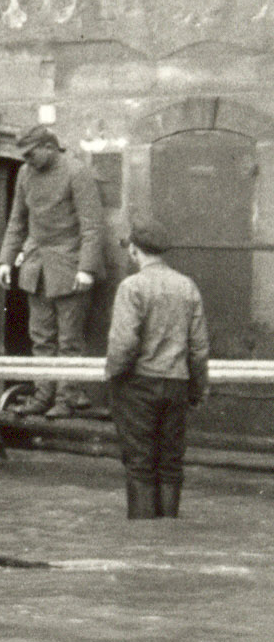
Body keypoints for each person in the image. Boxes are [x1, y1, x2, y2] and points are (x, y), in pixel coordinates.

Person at [0, 126, 106, 419]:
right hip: (36, 268)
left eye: (31, 153)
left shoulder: (76, 171)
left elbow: (92, 226)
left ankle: (66, 398)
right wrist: (6, 260)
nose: (27, 160)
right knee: (41, 338)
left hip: (70, 268)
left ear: (49, 146)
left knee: (69, 340)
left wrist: (86, 268)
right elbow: (17, 221)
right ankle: (42, 395)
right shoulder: (25, 173)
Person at [105, 219, 210, 520]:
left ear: (134, 250)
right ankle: (167, 533)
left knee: (140, 464)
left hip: (138, 385)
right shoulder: (187, 286)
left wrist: (113, 377)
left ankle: (144, 537)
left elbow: (123, 344)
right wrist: (196, 389)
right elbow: (199, 348)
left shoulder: (131, 287)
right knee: (171, 464)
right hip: (176, 384)